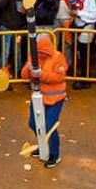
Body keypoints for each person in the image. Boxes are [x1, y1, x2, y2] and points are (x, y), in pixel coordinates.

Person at [21, 32, 67, 168]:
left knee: (49, 126)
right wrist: (29, 70)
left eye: (43, 53)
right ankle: (42, 146)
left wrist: (41, 74)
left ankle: (54, 154)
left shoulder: (58, 57)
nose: (41, 56)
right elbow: (23, 75)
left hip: (55, 99)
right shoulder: (34, 56)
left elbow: (59, 77)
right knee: (33, 123)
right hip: (38, 98)